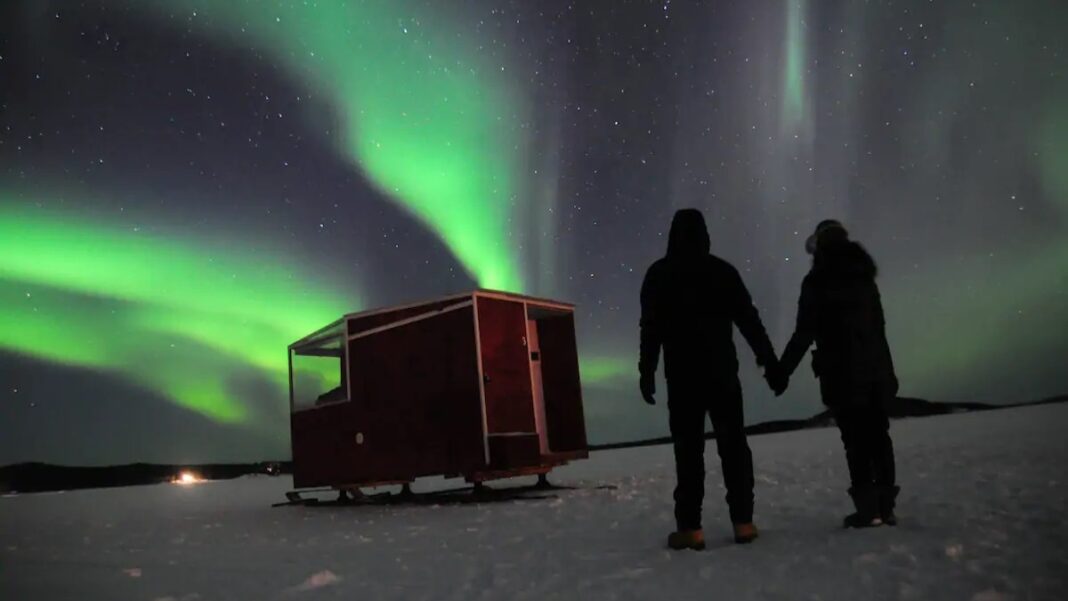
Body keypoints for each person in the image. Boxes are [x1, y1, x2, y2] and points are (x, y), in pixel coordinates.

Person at [639, 208, 786, 550]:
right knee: (734, 447)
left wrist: (647, 371)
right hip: (722, 375)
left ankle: (690, 528)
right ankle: (743, 523)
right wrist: (770, 364)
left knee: (688, 452)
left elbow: (651, 330)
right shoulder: (722, 271)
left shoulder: (659, 274)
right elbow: (749, 322)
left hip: (682, 378)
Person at [778, 219, 900, 528]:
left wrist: (782, 371)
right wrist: (889, 373)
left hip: (842, 374)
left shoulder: (817, 281)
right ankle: (885, 508)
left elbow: (804, 333)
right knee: (879, 437)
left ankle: (868, 510)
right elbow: (879, 330)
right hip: (875, 372)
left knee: (856, 441)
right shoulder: (865, 280)